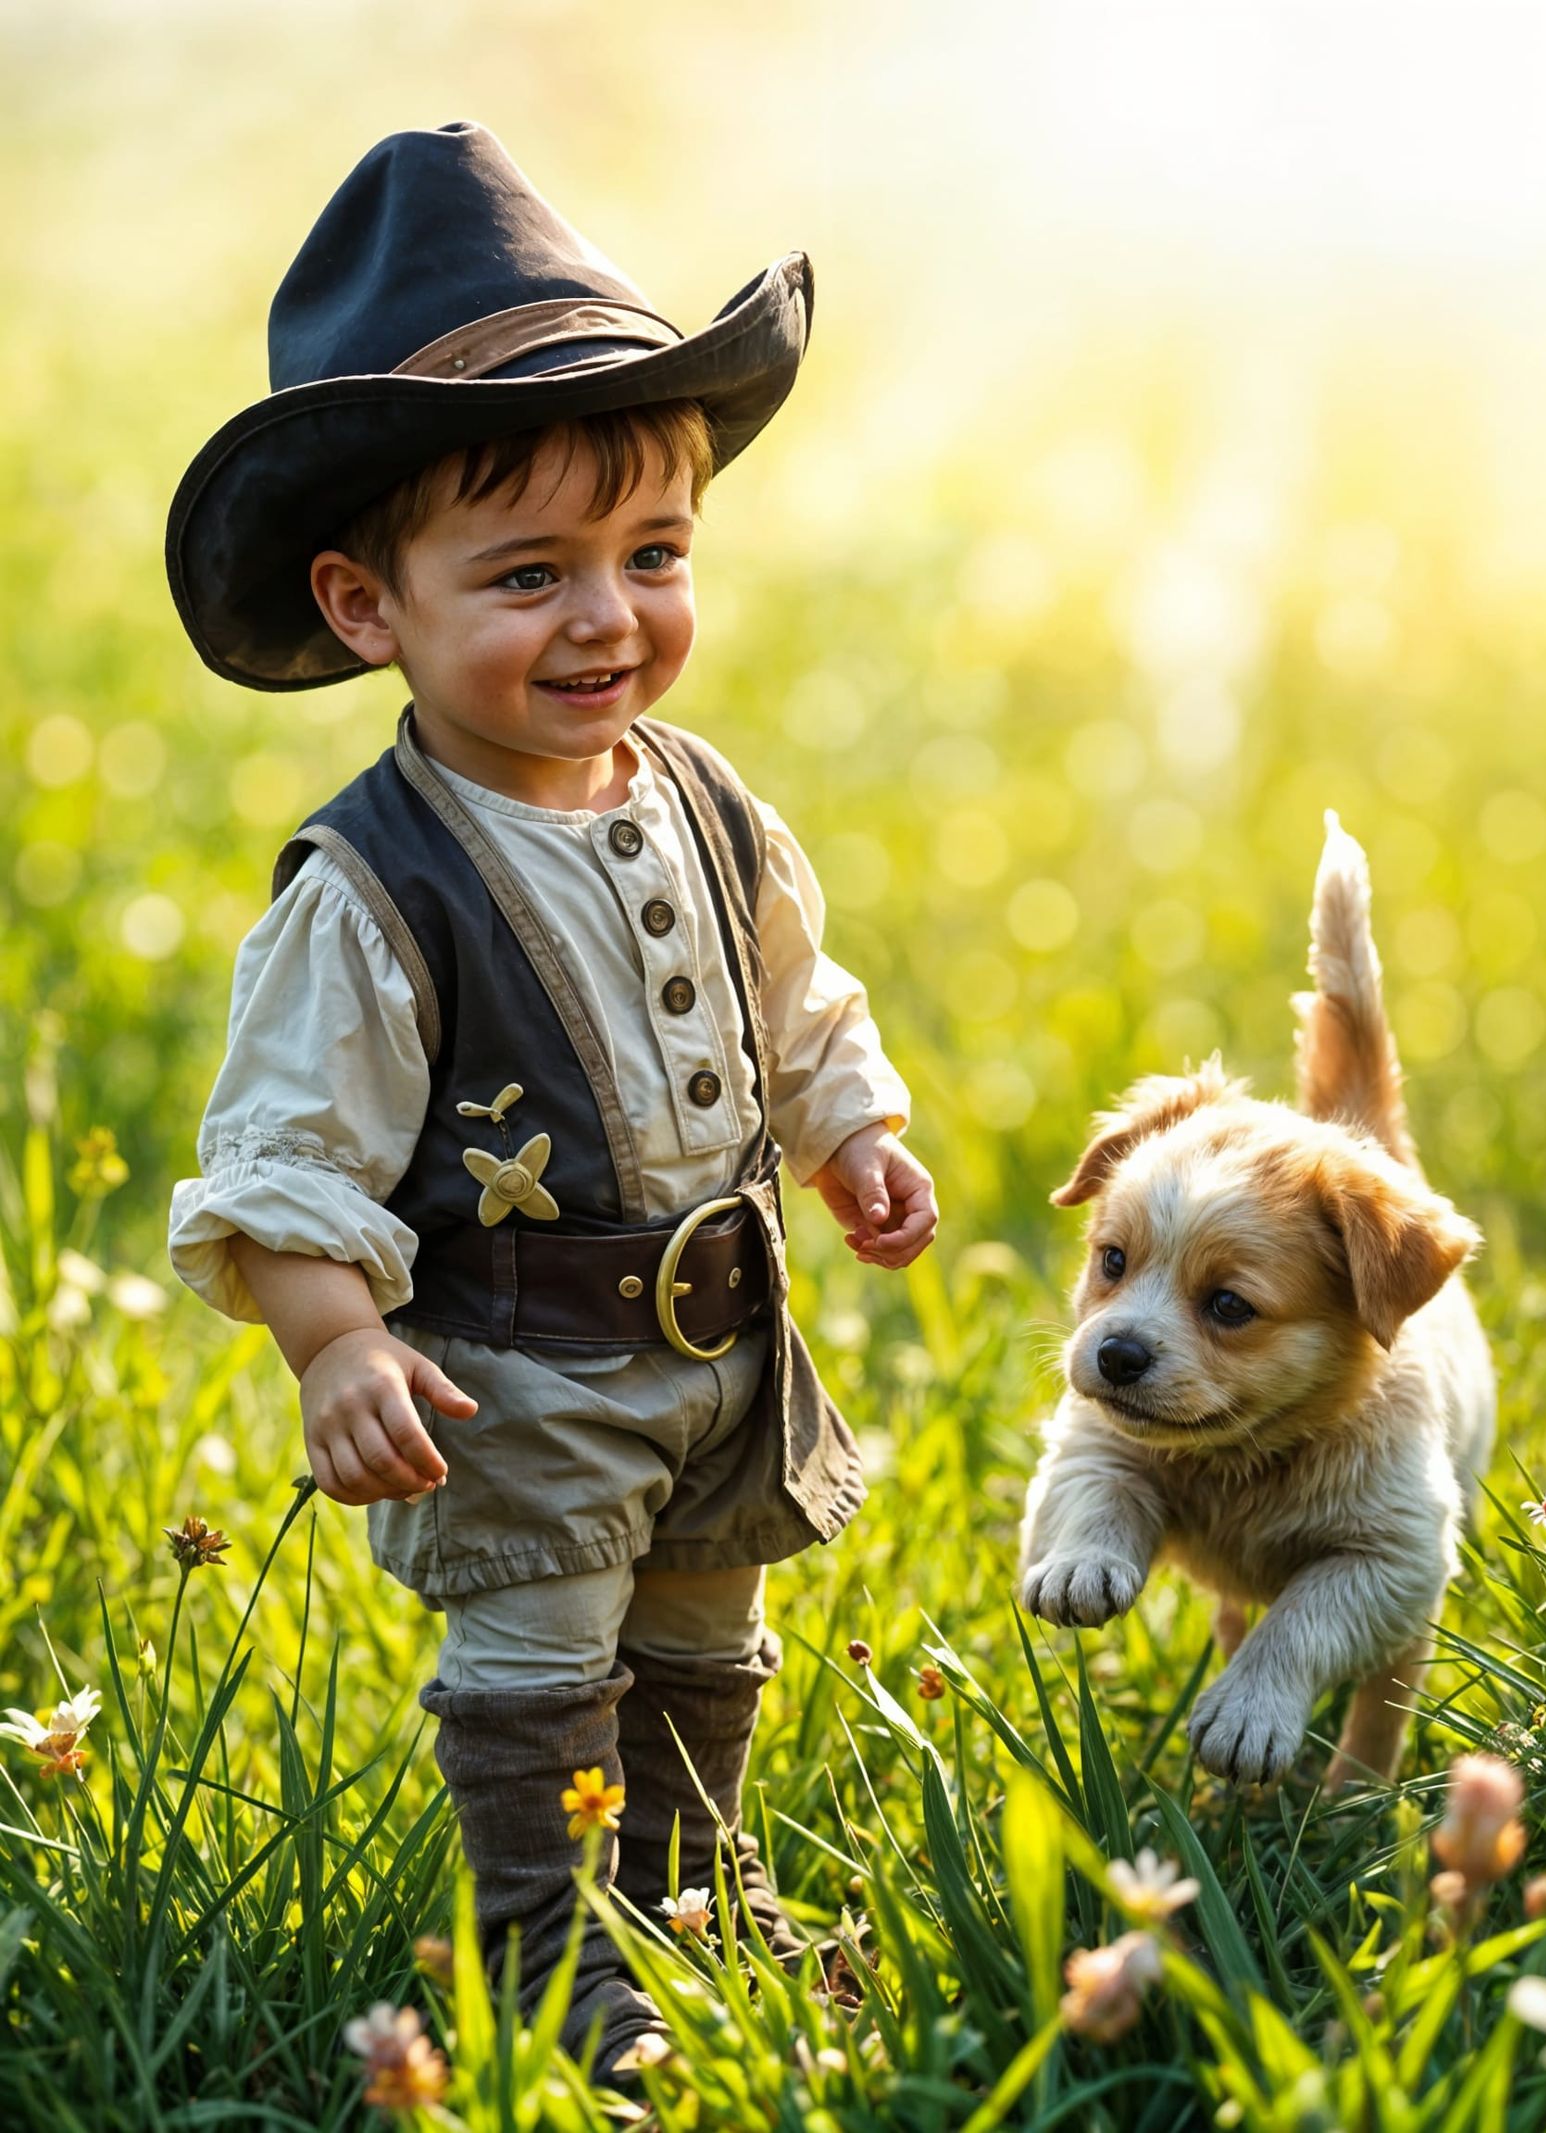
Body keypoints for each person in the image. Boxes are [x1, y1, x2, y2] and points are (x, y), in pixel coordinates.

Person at [165, 121, 937, 2079]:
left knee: (700, 1627)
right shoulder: (375, 888)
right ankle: (544, 1954)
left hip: (719, 1341)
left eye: (650, 554)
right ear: (365, 608)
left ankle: (683, 1894)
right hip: (505, 1377)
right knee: (538, 1662)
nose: (608, 617)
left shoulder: (701, 794)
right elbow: (289, 1153)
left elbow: (789, 991)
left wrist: (848, 1127)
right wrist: (334, 1339)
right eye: (528, 572)